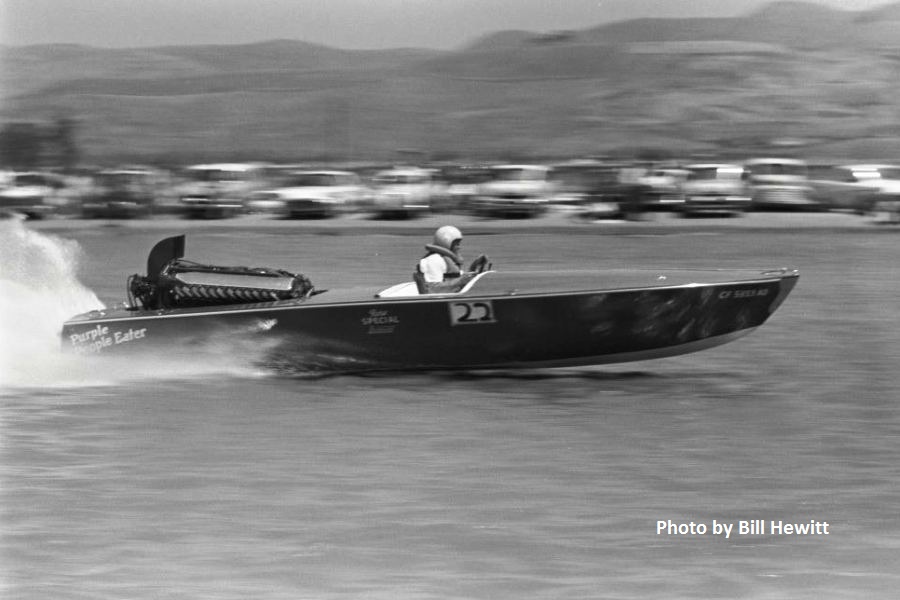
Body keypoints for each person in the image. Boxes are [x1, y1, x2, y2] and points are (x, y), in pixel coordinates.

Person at [414, 225, 491, 293]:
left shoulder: (447, 260)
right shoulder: (434, 260)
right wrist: (462, 280)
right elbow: (432, 290)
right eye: (456, 244)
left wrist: (475, 266)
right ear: (446, 242)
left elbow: (457, 278)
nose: (459, 247)